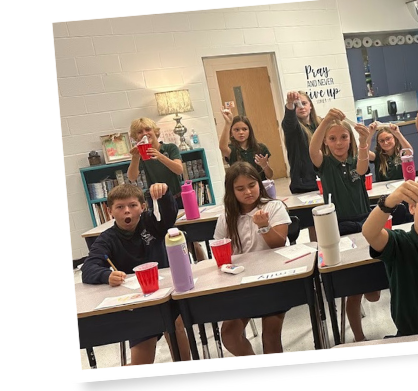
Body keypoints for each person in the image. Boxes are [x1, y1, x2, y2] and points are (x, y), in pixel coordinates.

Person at [80, 182, 191, 365]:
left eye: (132, 205)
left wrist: (164, 194)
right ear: (110, 211)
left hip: (165, 295)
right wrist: (106, 275)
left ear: (143, 207)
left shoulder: (151, 223)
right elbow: (89, 267)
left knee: (176, 324)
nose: (127, 211)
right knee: (141, 363)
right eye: (120, 207)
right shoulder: (107, 238)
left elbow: (168, 216)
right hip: (137, 305)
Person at [309, 107, 381, 341]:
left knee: (374, 294)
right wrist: (327, 120)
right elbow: (313, 148)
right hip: (340, 227)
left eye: (343, 137)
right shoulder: (325, 164)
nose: (338, 143)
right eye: (332, 138)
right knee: (354, 292)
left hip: (365, 224)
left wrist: (363, 141)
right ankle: (359, 338)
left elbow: (362, 167)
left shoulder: (355, 160)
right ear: (326, 142)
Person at [214, 163, 292, 356]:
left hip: (273, 279)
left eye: (252, 185)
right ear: (231, 191)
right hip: (242, 283)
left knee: (270, 336)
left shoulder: (273, 206)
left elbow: (278, 244)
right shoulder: (226, 216)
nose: (248, 192)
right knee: (229, 334)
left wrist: (264, 226)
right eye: (240, 189)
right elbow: (220, 249)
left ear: (259, 184)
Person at [361, 175, 418, 337]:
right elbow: (370, 232)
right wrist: (390, 201)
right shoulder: (398, 243)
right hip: (409, 337)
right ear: (412, 207)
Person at [126, 117, 185, 199]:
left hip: (177, 196)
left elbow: (179, 170)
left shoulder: (170, 148)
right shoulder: (141, 155)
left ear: (155, 131)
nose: (145, 133)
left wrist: (160, 156)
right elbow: (132, 178)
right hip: (157, 200)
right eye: (140, 132)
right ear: (136, 137)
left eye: (148, 129)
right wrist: (135, 157)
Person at [219, 104, 273, 181]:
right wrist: (228, 123)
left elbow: (270, 175)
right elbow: (222, 147)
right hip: (241, 187)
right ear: (231, 133)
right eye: (236, 130)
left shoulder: (261, 148)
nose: (241, 132)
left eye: (244, 129)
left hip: (260, 187)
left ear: (249, 131)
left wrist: (265, 165)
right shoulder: (232, 149)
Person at [281, 92, 322, 193]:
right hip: (304, 184)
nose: (301, 107)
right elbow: (289, 122)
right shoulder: (294, 129)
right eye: (296, 105)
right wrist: (290, 104)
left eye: (304, 103)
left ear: (310, 105)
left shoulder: (320, 124)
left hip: (323, 179)